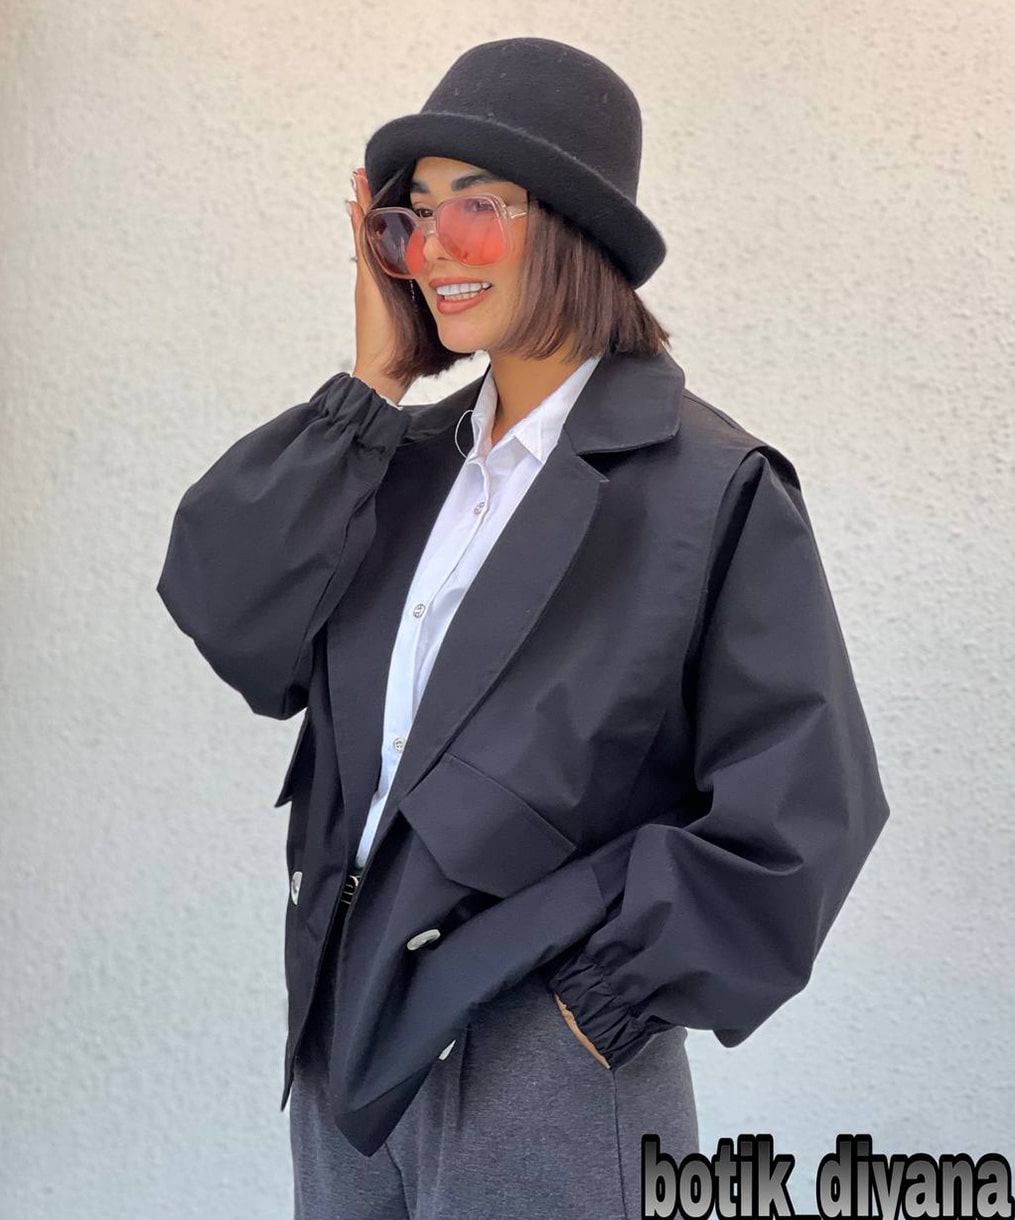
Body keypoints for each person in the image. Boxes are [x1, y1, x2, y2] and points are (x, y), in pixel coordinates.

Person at [156, 38, 890, 1220]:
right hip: (343, 1051)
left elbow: (804, 813)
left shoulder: (707, 488)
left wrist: (589, 1014)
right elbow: (227, 606)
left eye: (473, 210)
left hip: (537, 1069)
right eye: (408, 220)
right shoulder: (398, 466)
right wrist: (371, 385)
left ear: (571, 226)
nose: (431, 251)